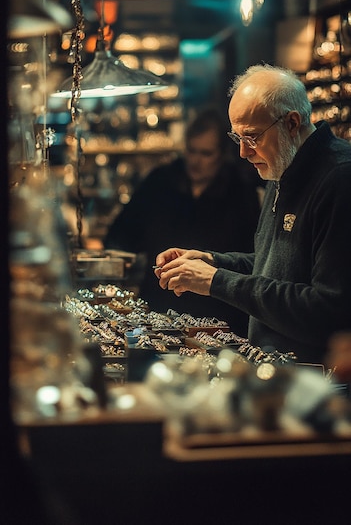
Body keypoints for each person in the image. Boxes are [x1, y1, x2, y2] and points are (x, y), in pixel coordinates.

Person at [154, 63, 351, 365]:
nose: (243, 153)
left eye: (252, 137)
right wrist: (212, 261)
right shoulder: (283, 165)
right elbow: (272, 269)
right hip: (273, 374)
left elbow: (327, 309)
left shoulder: (339, 178)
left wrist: (217, 281)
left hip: (320, 388)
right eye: (237, 138)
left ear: (292, 123)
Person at [104, 108, 262, 334]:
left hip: (218, 319)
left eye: (206, 153)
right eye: (191, 151)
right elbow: (119, 234)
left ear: (222, 154)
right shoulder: (160, 181)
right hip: (158, 311)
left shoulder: (240, 189)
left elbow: (252, 257)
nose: (196, 161)